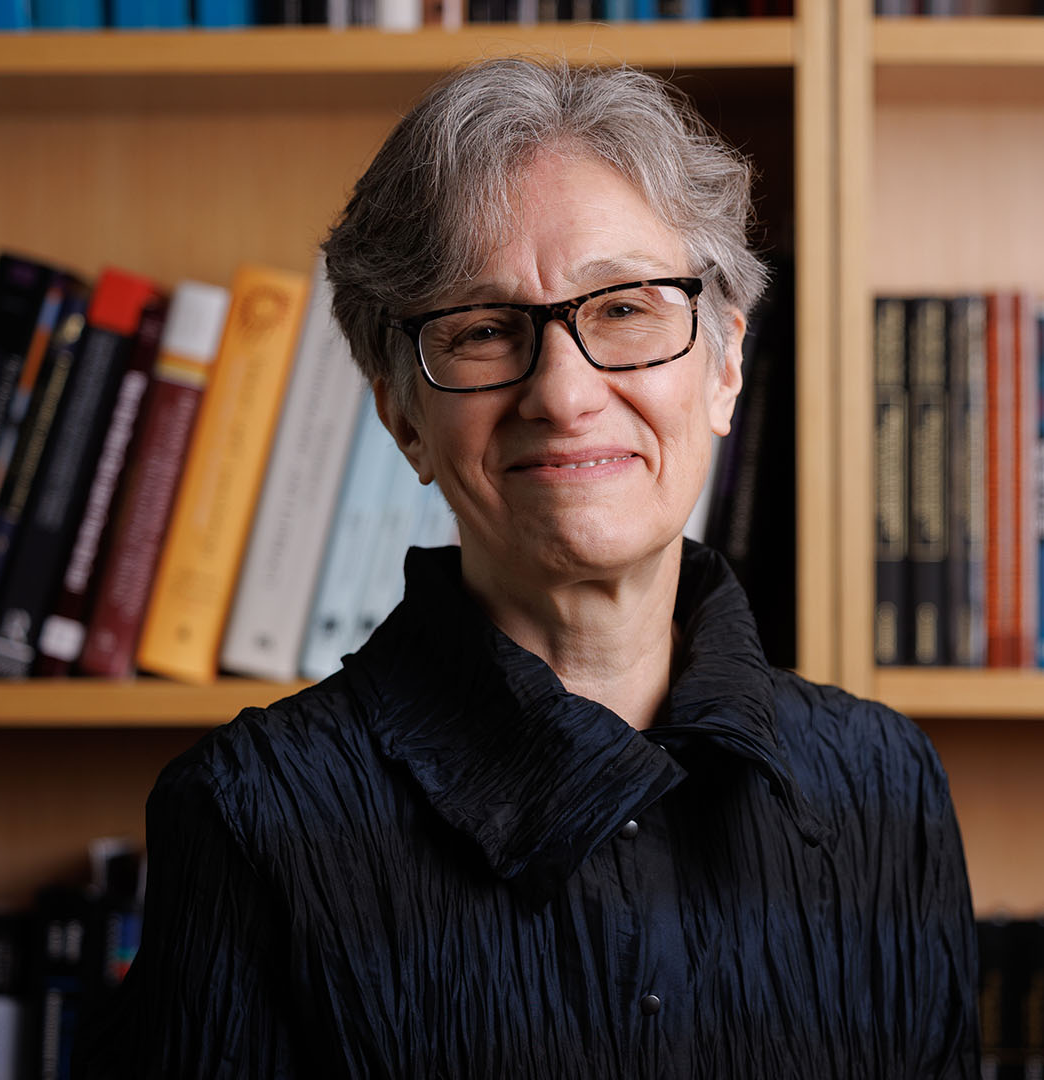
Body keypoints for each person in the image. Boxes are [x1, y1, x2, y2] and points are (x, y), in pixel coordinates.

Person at [82, 57, 978, 1078]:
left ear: (726, 364)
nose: (563, 393)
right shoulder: (252, 818)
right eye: (481, 330)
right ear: (399, 414)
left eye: (627, 309)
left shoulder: (884, 788)